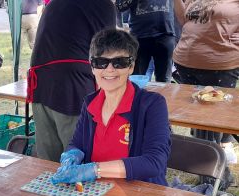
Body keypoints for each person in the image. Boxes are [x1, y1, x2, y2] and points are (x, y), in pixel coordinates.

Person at [51, 28, 171, 186]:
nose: (109, 69)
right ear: (92, 67)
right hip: (93, 192)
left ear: (131, 66)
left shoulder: (152, 105)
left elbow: (154, 162)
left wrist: (95, 170)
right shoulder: (90, 103)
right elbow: (77, 143)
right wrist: (71, 155)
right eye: (101, 62)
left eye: (119, 62)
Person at [29, 0, 116, 162]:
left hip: (40, 85)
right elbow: (108, 52)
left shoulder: (56, 3)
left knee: (47, 163)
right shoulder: (104, 5)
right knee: (79, 161)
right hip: (71, 87)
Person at [173, 0, 239, 163]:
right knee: (197, 116)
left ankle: (212, 164)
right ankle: (205, 158)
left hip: (220, 63)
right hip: (185, 63)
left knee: (215, 116)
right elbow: (184, 21)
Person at [115, 0, 175, 82]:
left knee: (164, 81)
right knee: (136, 79)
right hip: (139, 36)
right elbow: (119, 6)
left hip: (165, 33)